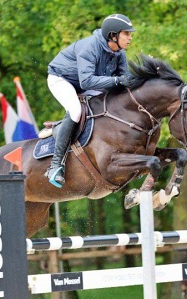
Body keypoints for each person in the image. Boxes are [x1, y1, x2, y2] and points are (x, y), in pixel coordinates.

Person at [45, 14, 136, 188]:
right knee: (76, 110)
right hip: (61, 79)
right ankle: (56, 165)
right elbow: (87, 81)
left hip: (84, 83)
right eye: (126, 33)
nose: (130, 37)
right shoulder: (90, 47)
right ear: (113, 35)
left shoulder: (119, 53)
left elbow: (126, 80)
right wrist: (117, 81)